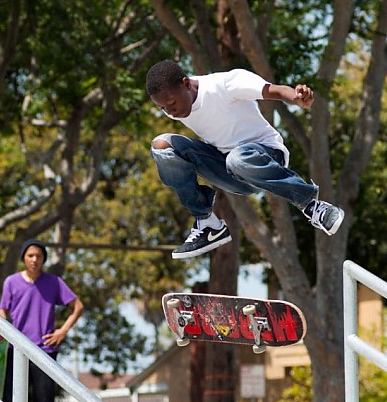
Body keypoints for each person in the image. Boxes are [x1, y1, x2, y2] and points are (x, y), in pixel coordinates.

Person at [145, 59, 345, 260]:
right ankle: (207, 224)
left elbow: (274, 90)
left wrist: (296, 97)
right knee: (162, 146)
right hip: (229, 170)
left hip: (266, 157)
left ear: (186, 84)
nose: (170, 112)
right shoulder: (175, 106)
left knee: (238, 158)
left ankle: (312, 205)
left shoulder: (226, 84)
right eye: (162, 108)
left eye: (171, 104)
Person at [0, 239, 84, 402]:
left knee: (44, 400)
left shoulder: (54, 282)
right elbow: (3, 310)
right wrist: (1, 328)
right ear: (24, 258)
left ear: (44, 259)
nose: (34, 260)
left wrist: (62, 331)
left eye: (38, 256)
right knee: (13, 399)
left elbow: (78, 306)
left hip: (45, 349)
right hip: (17, 348)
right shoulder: (11, 282)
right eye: (30, 255)